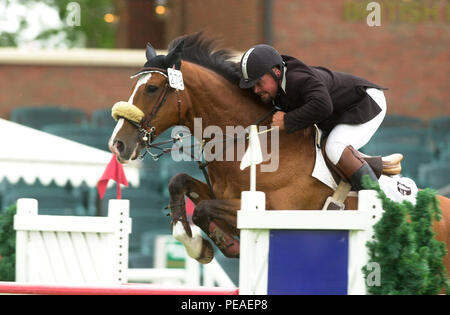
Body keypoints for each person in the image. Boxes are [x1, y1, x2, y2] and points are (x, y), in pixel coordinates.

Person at [238, 44, 387, 191]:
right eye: (252, 86)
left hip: (366, 103)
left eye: (259, 83)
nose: (256, 90)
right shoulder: (278, 82)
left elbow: (323, 106)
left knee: (335, 147)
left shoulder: (297, 79)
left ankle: (376, 199)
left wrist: (287, 120)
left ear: (276, 72)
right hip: (341, 113)